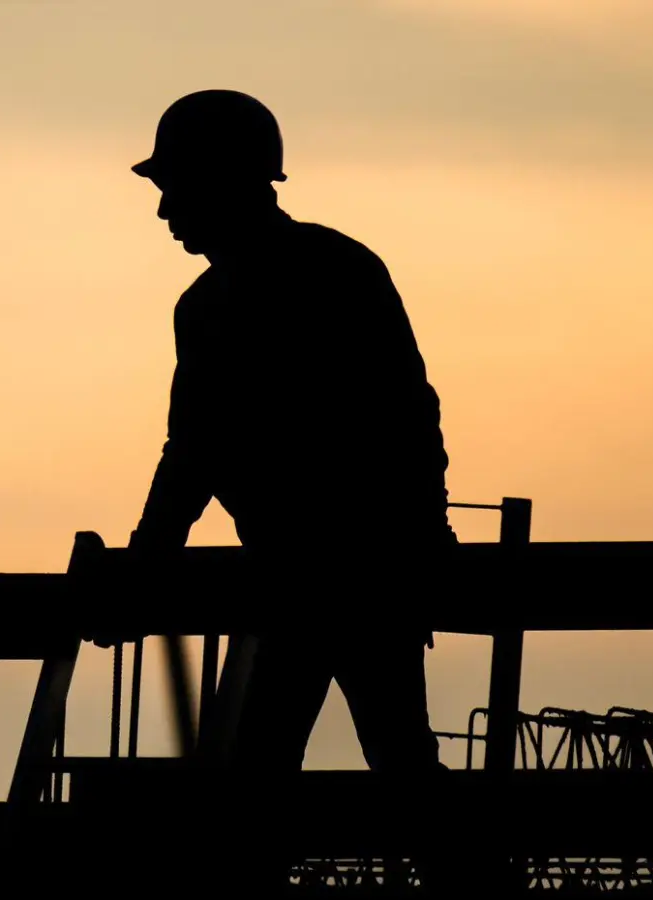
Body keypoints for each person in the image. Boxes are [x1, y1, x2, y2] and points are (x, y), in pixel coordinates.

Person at [125, 89, 456, 780]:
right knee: (394, 765)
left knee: (258, 777)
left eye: (175, 188)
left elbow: (193, 453)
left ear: (222, 181)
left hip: (323, 580)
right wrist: (426, 539)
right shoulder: (334, 269)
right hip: (357, 575)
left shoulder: (226, 303)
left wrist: (143, 564)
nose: (163, 211)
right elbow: (410, 417)